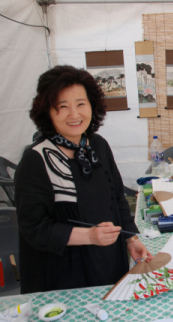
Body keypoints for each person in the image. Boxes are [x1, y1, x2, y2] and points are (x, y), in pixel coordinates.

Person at [15, 65, 153, 294]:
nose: (74, 114)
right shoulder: (36, 160)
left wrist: (131, 240)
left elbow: (117, 198)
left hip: (108, 262)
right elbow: (34, 228)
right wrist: (88, 236)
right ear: (47, 111)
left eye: (81, 104)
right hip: (64, 275)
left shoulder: (97, 144)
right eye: (63, 107)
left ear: (92, 105)